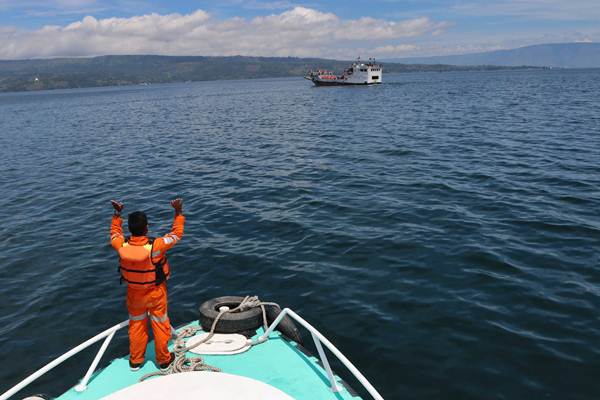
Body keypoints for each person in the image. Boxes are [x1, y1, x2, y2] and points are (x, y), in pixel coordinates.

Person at [110, 198, 185, 371]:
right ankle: (164, 360)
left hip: (134, 294)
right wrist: (178, 213)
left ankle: (135, 361)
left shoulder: (120, 244)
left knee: (136, 325)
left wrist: (116, 215)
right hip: (155, 293)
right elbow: (176, 234)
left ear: (129, 228)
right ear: (146, 228)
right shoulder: (156, 246)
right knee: (160, 324)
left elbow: (114, 232)